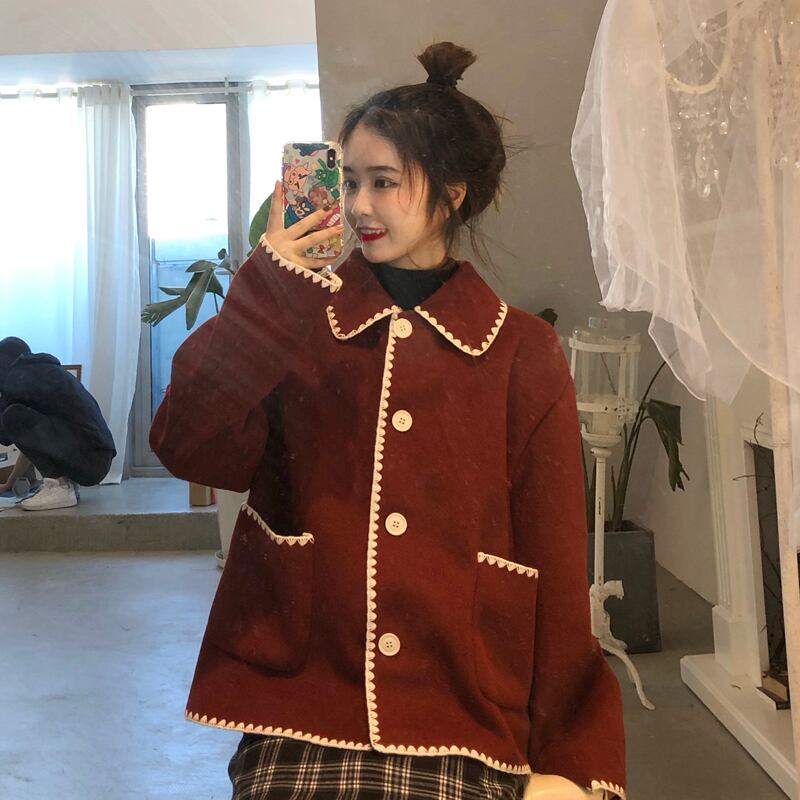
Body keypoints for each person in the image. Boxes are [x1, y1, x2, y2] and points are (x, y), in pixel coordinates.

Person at [149, 41, 626, 800]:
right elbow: (189, 445)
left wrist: (572, 759)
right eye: (350, 181)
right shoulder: (294, 318)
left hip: (466, 702)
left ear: (454, 194)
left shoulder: (521, 351)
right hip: (302, 691)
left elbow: (556, 562)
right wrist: (269, 290)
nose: (359, 206)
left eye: (385, 182)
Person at [0, 336, 116, 510]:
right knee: (15, 417)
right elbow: (32, 442)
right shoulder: (44, 373)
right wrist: (8, 484)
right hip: (97, 460)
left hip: (89, 458)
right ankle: (64, 486)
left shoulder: (18, 377)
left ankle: (59, 487)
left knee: (12, 415)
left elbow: (6, 433)